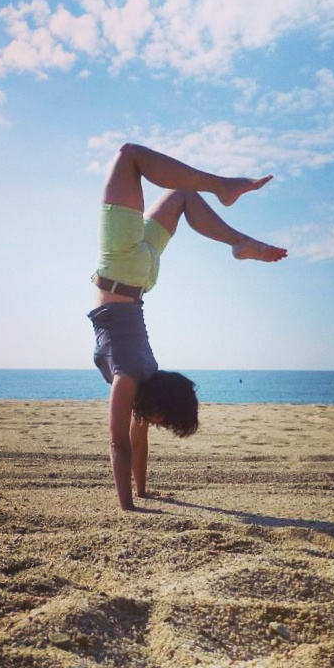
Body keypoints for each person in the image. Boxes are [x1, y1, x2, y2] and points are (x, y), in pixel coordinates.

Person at [88, 143, 287, 510]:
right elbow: (120, 443)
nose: (159, 424)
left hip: (138, 277)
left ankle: (238, 238)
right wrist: (129, 504)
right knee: (128, 155)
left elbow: (130, 440)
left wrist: (138, 499)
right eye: (166, 420)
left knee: (179, 193)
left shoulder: (145, 373)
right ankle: (227, 202)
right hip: (124, 269)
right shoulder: (132, 376)